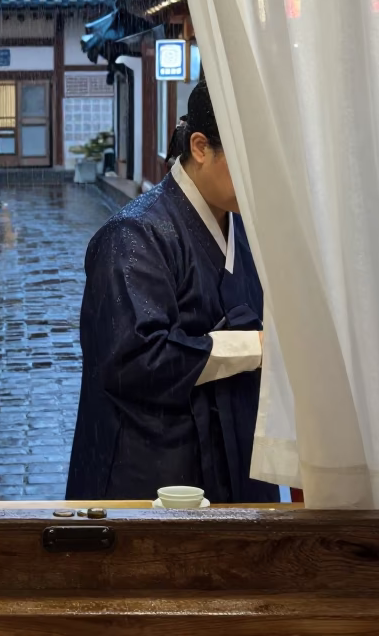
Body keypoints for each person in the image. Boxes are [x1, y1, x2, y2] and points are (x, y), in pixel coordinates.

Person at [66, 76, 279, 504]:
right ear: (200, 147)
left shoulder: (243, 225)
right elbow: (134, 358)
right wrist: (255, 347)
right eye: (247, 160)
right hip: (153, 462)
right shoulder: (133, 234)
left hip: (235, 451)